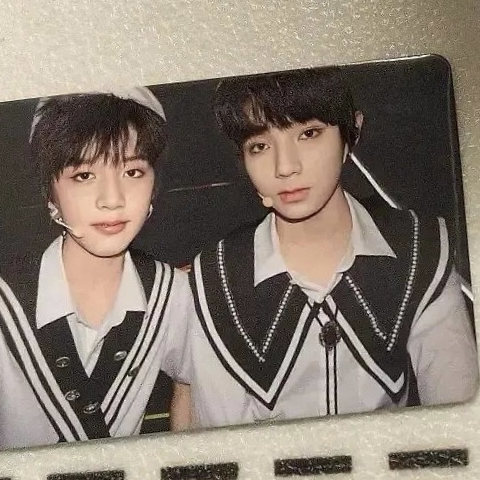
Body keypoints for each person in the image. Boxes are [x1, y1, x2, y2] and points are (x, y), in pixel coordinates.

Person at [180, 67, 479, 429]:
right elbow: (223, 445)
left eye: (309, 133)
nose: (285, 167)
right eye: (260, 146)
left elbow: (458, 420)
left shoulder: (420, 248)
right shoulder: (216, 279)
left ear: (351, 133)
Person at [0, 88, 192, 452]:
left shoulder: (171, 293)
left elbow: (193, 382)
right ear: (50, 195)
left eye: (133, 171)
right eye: (84, 175)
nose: (112, 199)